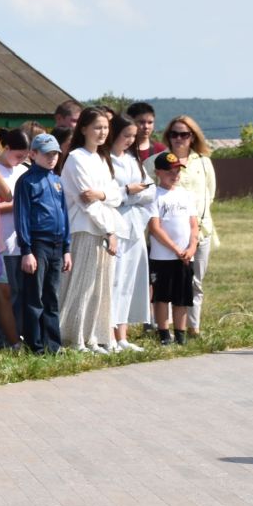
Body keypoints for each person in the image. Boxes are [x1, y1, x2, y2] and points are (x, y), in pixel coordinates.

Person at [60, 107, 122, 353]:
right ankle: (75, 337)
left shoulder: (102, 158)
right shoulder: (76, 158)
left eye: (106, 127)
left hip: (103, 229)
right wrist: (110, 230)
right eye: (97, 127)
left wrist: (104, 194)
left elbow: (116, 196)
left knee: (99, 287)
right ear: (83, 129)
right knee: (82, 285)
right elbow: (87, 202)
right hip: (84, 229)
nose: (102, 132)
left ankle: (93, 336)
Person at [12, 134, 70, 353]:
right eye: (47, 154)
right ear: (33, 154)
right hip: (37, 245)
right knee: (34, 296)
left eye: (55, 154)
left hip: (57, 244)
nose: (52, 158)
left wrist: (67, 248)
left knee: (51, 296)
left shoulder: (57, 181)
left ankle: (53, 344)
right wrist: (26, 250)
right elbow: (22, 216)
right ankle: (34, 344)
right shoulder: (27, 182)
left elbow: (64, 215)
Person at [162, 115, 217, 333]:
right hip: (169, 233)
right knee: (167, 282)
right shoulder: (159, 160)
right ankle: (164, 328)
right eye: (174, 134)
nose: (178, 138)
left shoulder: (204, 162)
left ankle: (193, 327)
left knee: (195, 282)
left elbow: (209, 194)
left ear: (192, 137)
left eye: (183, 134)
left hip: (200, 231)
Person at [106, 117, 153, 351]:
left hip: (135, 226)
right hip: (116, 225)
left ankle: (123, 335)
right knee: (115, 280)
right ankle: (110, 335)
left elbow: (149, 190)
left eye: (133, 136)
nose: (130, 140)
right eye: (126, 135)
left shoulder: (133, 160)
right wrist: (127, 192)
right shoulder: (106, 160)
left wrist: (129, 195)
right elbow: (109, 195)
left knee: (129, 281)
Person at [146, 153, 198, 345]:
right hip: (163, 256)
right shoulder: (154, 195)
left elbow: (193, 225)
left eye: (177, 170)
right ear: (158, 172)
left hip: (185, 255)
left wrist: (192, 247)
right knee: (162, 296)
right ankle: (164, 334)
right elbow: (155, 227)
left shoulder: (185, 195)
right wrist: (176, 248)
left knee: (182, 297)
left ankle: (181, 334)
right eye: (169, 171)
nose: (174, 174)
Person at [0, 130, 29, 349]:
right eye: (18, 155)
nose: (21, 160)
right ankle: (1, 338)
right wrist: (17, 205)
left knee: (19, 294)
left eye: (25, 156)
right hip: (0, 240)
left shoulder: (23, 171)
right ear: (6, 148)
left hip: (20, 242)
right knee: (3, 294)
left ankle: (18, 334)